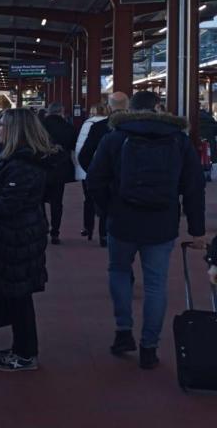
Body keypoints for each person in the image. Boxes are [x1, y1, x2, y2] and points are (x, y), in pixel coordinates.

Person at [87, 91, 206, 370]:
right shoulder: (178, 139)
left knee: (118, 272)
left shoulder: (114, 137)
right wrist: (197, 229)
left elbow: (95, 179)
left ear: (130, 108)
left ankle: (123, 331)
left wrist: (107, 210)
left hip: (122, 220)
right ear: (158, 108)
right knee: (156, 284)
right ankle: (149, 348)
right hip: (161, 223)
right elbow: (193, 186)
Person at [0, 108, 54, 372]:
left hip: (16, 242)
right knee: (18, 298)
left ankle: (26, 355)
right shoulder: (22, 162)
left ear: (16, 131)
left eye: (2, 125)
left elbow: (6, 206)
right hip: (16, 239)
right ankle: (21, 348)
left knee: (20, 300)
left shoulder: (23, 167)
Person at [78, 92, 129, 248]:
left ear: (108, 106)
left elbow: (84, 155)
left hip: (107, 180)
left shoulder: (98, 127)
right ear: (128, 106)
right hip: (132, 181)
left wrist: (95, 173)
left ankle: (104, 236)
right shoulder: (139, 127)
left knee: (106, 209)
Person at [41, 103, 76, 244]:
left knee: (39, 200)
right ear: (62, 111)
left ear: (49, 111)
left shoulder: (40, 125)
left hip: (42, 166)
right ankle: (55, 232)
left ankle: (43, 227)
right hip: (60, 168)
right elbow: (73, 145)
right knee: (57, 202)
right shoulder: (68, 127)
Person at [75, 103, 109, 242]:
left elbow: (81, 149)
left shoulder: (86, 124)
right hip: (103, 170)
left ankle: (88, 227)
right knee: (106, 202)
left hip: (87, 169)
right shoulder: (108, 125)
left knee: (88, 199)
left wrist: (86, 169)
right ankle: (103, 234)